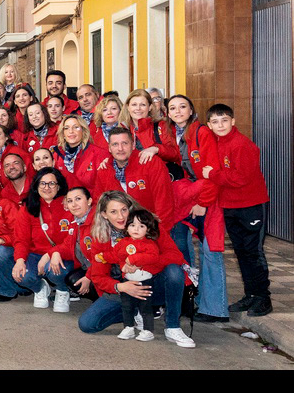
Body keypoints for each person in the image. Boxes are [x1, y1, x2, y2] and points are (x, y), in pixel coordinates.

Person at [78, 191, 194, 347]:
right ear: (104, 214)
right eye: (113, 212)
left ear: (130, 208)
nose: (121, 216)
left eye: (124, 210)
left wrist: (143, 262)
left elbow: (175, 256)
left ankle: (173, 327)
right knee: (87, 324)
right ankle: (135, 311)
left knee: (174, 271)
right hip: (122, 288)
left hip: (151, 283)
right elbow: (98, 277)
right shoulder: (100, 236)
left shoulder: (149, 225)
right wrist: (121, 287)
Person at [200, 103, 272, 318]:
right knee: (241, 252)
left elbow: (241, 177)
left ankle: (263, 298)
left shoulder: (241, 144)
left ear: (233, 121)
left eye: (224, 120)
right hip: (230, 206)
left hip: (250, 205)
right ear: (209, 125)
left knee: (253, 252)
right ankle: (251, 294)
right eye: (215, 122)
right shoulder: (216, 142)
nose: (220, 125)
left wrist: (212, 174)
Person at [12, 168, 75, 313]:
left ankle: (62, 290)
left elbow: (73, 238)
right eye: (42, 183)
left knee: (54, 270)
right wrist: (20, 260)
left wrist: (51, 254)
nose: (47, 188)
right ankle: (40, 288)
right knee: (21, 275)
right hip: (35, 254)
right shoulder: (28, 207)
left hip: (63, 254)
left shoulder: (69, 204)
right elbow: (21, 239)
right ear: (36, 185)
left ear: (59, 186)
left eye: (52, 183)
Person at [111, 208, 164, 341]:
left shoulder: (150, 244)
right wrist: (122, 265)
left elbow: (153, 257)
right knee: (127, 306)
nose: (136, 229)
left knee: (145, 307)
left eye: (141, 226)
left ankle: (148, 330)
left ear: (148, 229)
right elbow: (116, 255)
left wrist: (134, 259)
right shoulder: (123, 242)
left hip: (145, 282)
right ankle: (128, 327)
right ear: (127, 227)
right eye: (132, 225)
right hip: (127, 281)